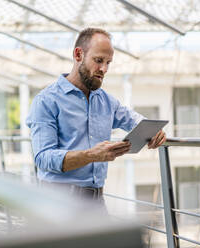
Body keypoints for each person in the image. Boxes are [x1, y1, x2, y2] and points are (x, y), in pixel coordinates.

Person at [26, 27, 166, 203]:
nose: (104, 69)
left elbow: (134, 120)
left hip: (96, 200)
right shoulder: (46, 101)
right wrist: (92, 155)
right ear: (78, 55)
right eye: (99, 60)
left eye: (108, 62)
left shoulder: (105, 101)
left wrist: (154, 131)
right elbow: (43, 158)